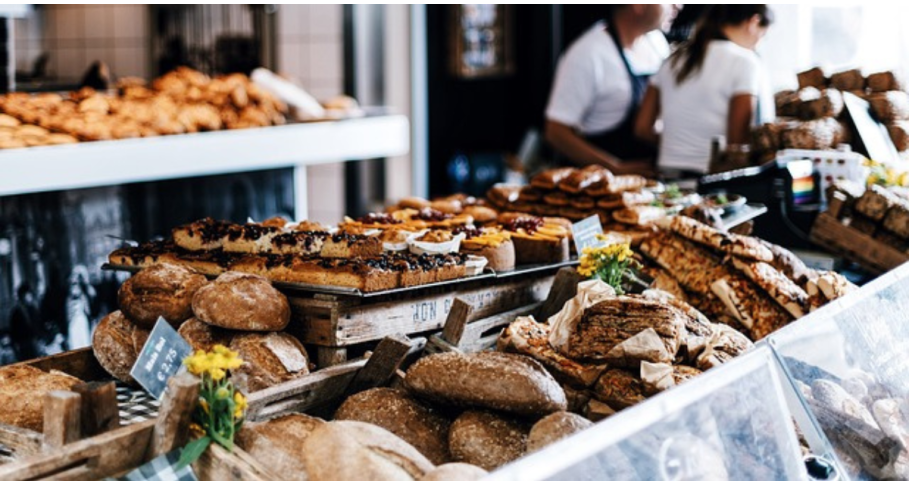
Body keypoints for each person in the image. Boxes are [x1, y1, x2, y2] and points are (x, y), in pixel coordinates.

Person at [635, 5, 774, 176]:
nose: (759, 43)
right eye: (763, 36)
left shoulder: (673, 59)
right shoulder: (745, 62)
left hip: (668, 175)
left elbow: (642, 128)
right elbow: (736, 143)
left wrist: (679, 145)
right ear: (754, 22)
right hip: (712, 180)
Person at [545, 5, 675, 176]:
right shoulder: (588, 54)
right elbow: (556, 132)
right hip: (598, 186)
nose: (677, 6)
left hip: (648, 182)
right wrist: (615, 168)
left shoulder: (657, 43)